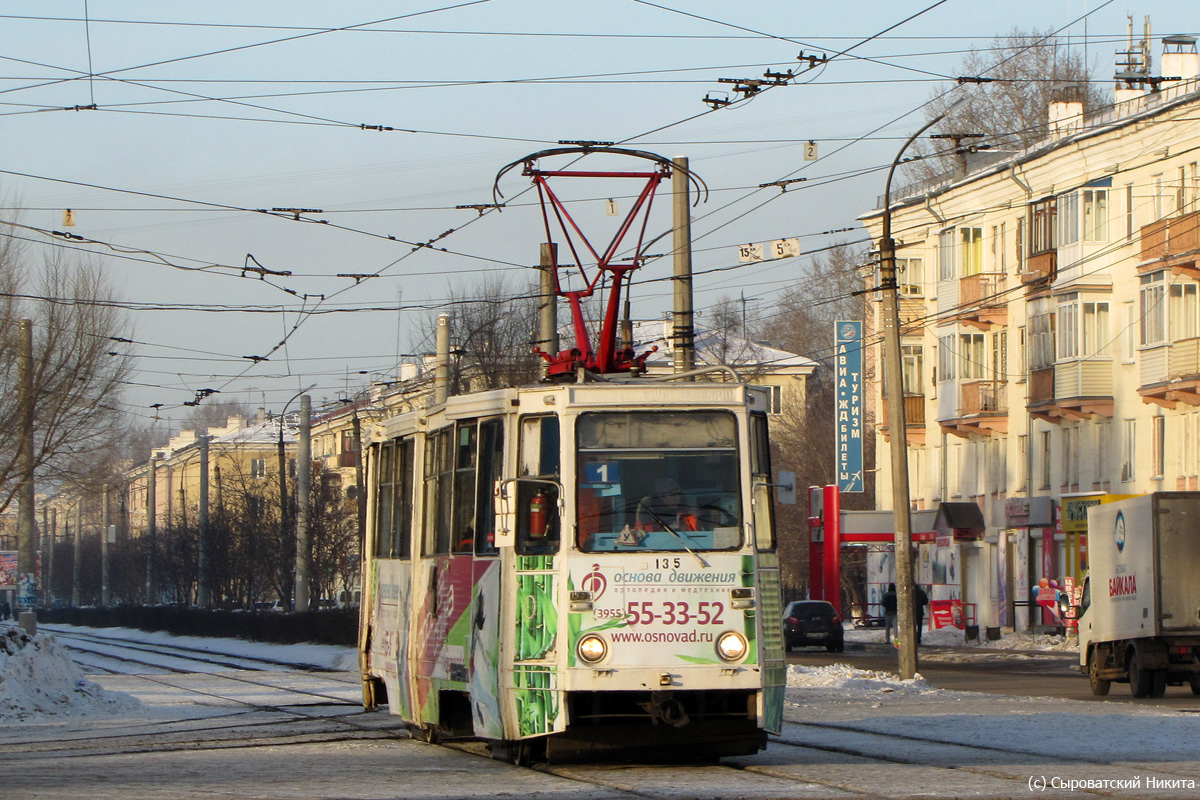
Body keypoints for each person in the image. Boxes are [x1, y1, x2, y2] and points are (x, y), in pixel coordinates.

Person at [634, 478, 699, 533]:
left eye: (678, 494)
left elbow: (696, 535)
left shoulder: (686, 514)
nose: (677, 498)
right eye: (672, 495)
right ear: (661, 497)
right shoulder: (649, 516)